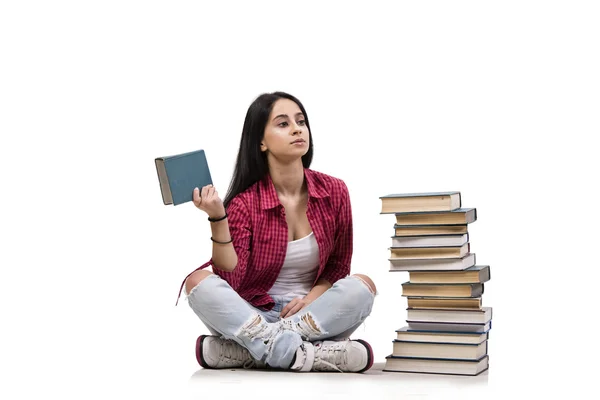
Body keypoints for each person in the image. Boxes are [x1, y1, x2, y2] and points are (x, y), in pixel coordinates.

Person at [176, 91, 377, 373]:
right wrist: (218, 216)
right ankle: (310, 355)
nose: (297, 129)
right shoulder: (245, 203)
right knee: (198, 281)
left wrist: (310, 300)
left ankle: (251, 350)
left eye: (301, 121)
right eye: (283, 124)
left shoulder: (335, 191)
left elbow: (339, 265)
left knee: (362, 285)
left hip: (312, 313)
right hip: (253, 315)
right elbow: (232, 281)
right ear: (260, 141)